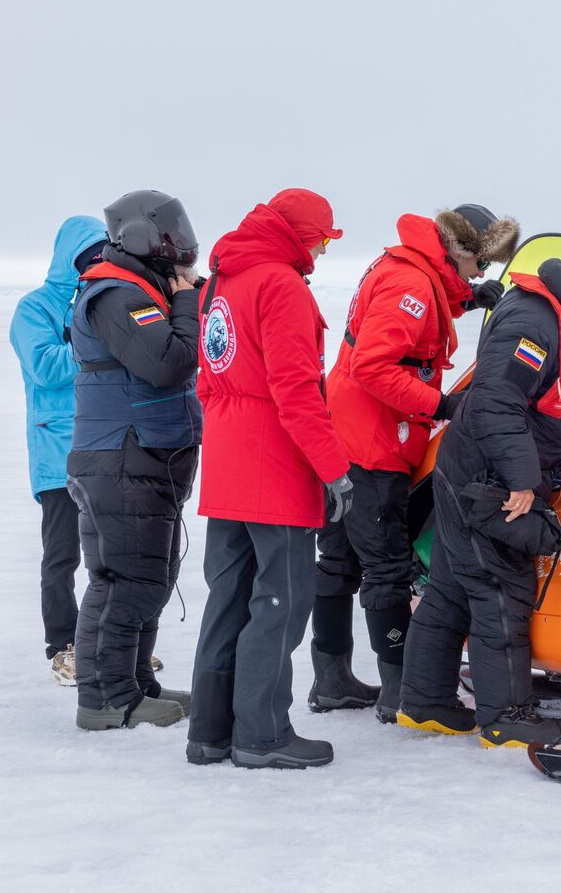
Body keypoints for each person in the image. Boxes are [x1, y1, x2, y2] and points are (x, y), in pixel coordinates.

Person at [399, 246, 561, 747]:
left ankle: (424, 703)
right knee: (501, 589)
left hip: (470, 467)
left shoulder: (560, 315)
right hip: (489, 477)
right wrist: (522, 480)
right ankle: (507, 717)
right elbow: (495, 403)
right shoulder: (534, 324)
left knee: (450, 589)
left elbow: (557, 377)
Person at [314, 204, 518, 722]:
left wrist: (469, 300)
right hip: (373, 439)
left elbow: (414, 321)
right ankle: (399, 688)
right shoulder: (412, 285)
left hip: (343, 429)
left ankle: (330, 678)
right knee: (385, 564)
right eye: (481, 265)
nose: (483, 273)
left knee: (338, 559)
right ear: (462, 249)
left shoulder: (407, 265)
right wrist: (440, 405)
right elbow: (376, 365)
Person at [186, 189, 353, 769]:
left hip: (229, 463)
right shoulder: (279, 285)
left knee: (228, 597)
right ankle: (262, 733)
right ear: (300, 233)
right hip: (274, 467)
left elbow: (207, 379)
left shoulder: (219, 282)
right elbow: (297, 391)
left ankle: (209, 733)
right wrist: (333, 468)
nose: (323, 251)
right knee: (280, 600)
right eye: (323, 239)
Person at [67, 190, 202, 730]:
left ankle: (135, 682)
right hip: (123, 456)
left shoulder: (140, 291)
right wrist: (189, 302)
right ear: (144, 236)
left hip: (137, 454)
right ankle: (109, 698)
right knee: (130, 581)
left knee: (148, 575)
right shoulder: (119, 297)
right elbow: (168, 363)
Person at [9, 216, 108, 685]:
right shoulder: (34, 309)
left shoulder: (96, 300)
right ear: (71, 258)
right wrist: (96, 343)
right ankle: (63, 647)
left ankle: (107, 644)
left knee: (108, 555)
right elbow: (47, 368)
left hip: (102, 446)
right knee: (63, 556)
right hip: (56, 452)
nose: (100, 262)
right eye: (92, 254)